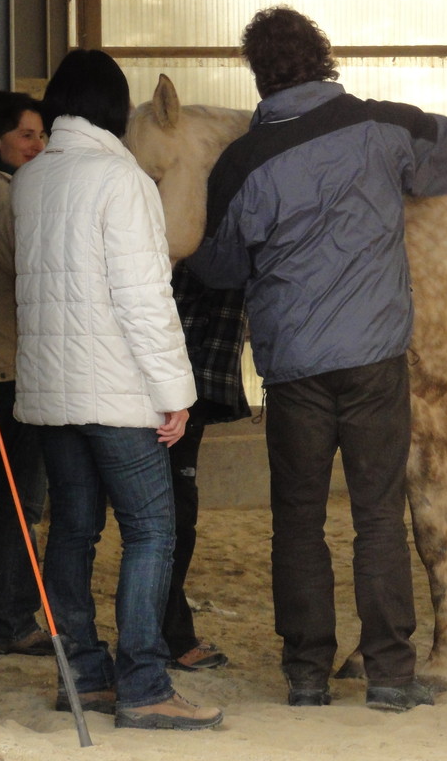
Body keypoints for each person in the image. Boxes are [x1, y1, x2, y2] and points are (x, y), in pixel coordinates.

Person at [186, 6, 447, 712]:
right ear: (323, 58)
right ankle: (391, 675)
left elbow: (216, 266)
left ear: (259, 75)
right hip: (374, 358)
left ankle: (307, 675)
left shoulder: (242, 162)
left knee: (297, 520)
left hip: (292, 369)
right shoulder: (380, 124)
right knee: (377, 515)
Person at [11, 49, 222, 730]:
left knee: (73, 530)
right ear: (114, 108)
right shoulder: (122, 179)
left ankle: (84, 677)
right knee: (152, 530)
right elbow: (143, 298)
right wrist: (175, 390)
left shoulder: (31, 180)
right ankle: (144, 685)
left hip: (51, 391)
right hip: (116, 391)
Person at [0, 92, 51, 657]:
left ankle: (6, 615)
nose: (37, 145)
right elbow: (32, 272)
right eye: (26, 135)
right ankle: (7, 619)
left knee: (12, 492)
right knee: (20, 496)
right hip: (8, 364)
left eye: (41, 135)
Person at [162, 262, 249, 671]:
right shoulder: (206, 252)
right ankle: (171, 638)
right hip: (174, 390)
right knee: (171, 523)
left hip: (176, 388)